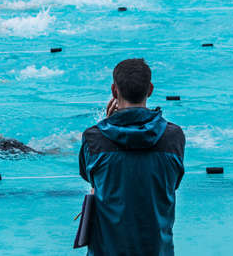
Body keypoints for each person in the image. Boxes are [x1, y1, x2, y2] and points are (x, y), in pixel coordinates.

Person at [78, 58, 185, 255]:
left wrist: (108, 124)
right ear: (150, 89)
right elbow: (172, 183)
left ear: (114, 91)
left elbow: (92, 179)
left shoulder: (94, 138)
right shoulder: (174, 136)